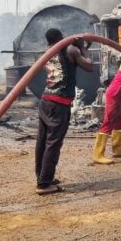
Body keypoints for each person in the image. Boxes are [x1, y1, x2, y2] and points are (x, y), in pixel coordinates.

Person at [35, 28, 93, 195]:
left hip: (46, 99)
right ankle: (44, 184)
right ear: (61, 37)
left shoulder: (48, 52)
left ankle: (43, 177)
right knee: (53, 142)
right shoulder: (70, 49)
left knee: (43, 141)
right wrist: (82, 47)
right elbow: (89, 66)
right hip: (59, 103)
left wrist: (81, 47)